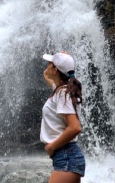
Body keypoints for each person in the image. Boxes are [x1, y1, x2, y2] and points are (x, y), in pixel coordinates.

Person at [41, 51, 85, 183]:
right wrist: (65, 60)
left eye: (50, 63)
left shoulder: (63, 94)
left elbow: (75, 127)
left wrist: (52, 146)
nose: (46, 66)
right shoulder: (61, 90)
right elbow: (45, 74)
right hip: (66, 157)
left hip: (66, 157)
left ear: (55, 70)